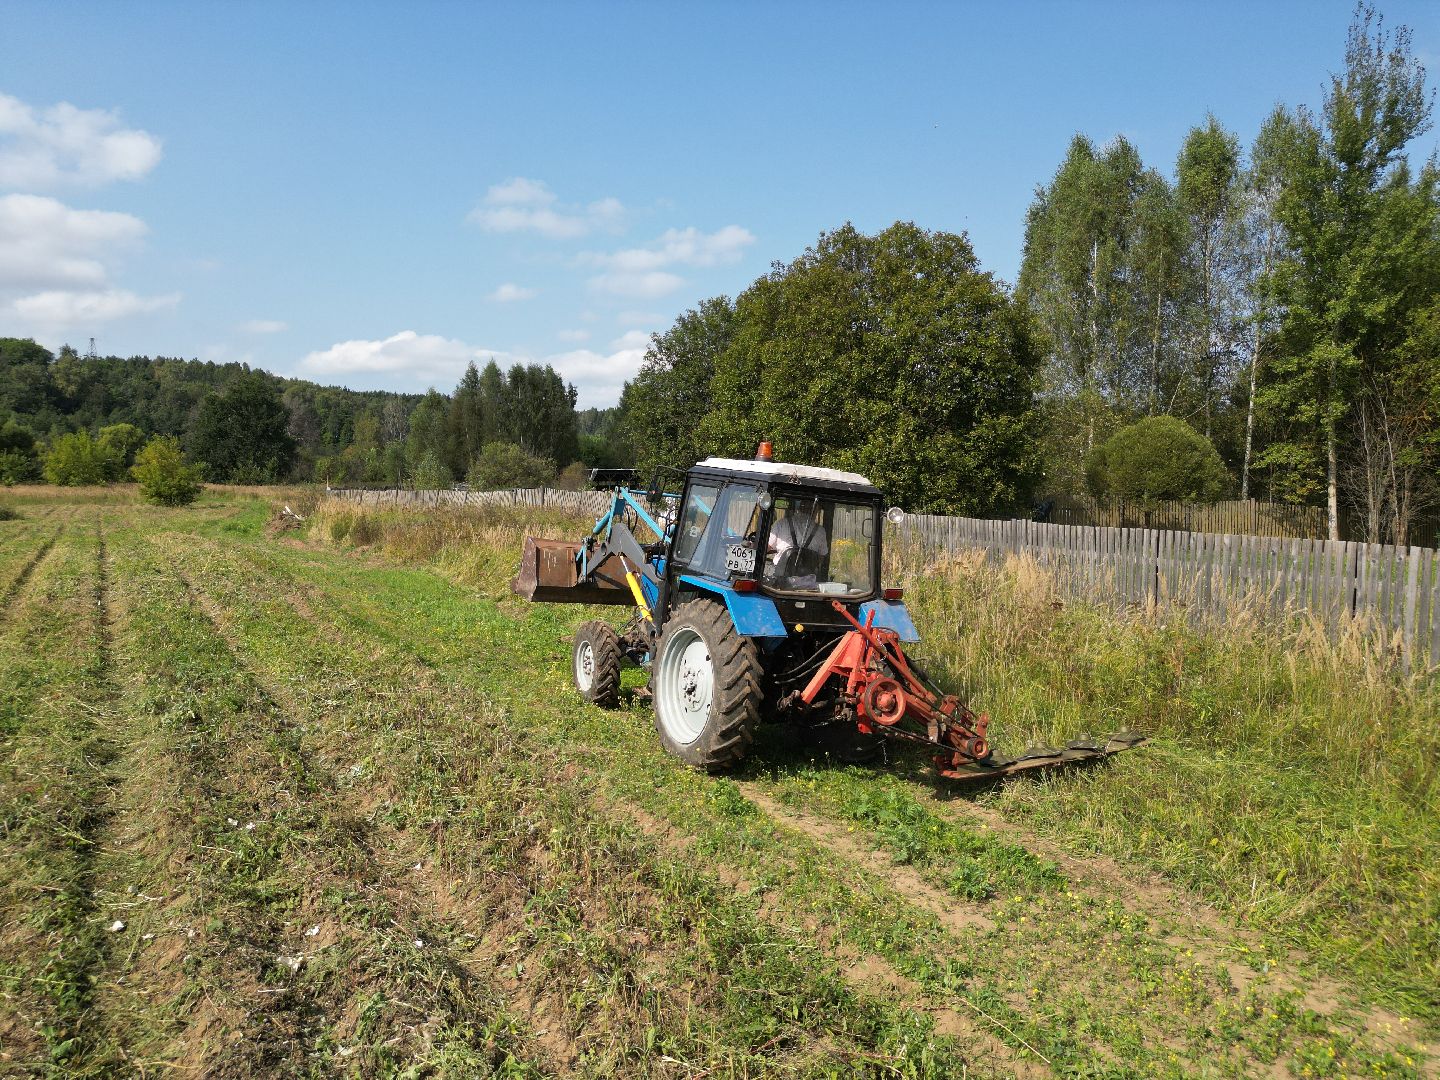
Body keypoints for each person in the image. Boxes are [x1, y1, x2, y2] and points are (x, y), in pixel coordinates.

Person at [764, 501, 828, 588]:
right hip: (807, 583)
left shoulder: (781, 524)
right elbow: (821, 557)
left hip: (780, 580)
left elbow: (766, 547)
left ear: (798, 508)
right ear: (815, 511)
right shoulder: (820, 530)